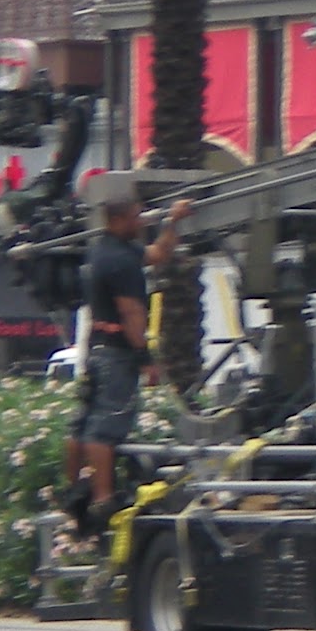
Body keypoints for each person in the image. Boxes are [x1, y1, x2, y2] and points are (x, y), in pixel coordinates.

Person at [62, 195, 191, 536]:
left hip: (97, 350)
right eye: (136, 216)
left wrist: (173, 222)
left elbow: (157, 256)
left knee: (83, 423)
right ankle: (103, 499)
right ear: (119, 219)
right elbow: (132, 314)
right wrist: (146, 359)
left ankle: (72, 489)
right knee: (105, 427)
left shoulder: (107, 250)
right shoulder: (120, 262)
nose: (142, 221)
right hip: (116, 353)